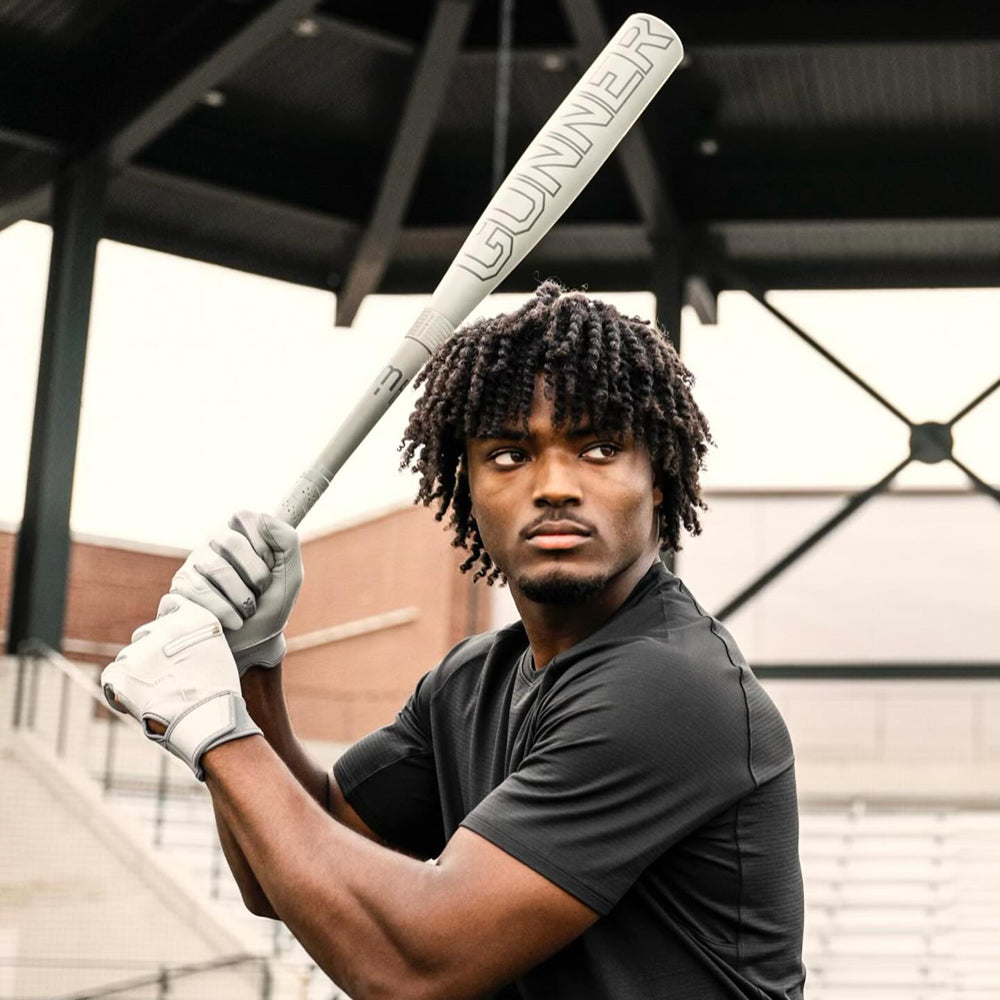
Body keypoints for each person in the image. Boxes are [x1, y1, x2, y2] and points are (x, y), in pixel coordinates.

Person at [102, 282, 805, 1000]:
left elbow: (413, 964)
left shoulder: (669, 686)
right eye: (508, 454)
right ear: (463, 485)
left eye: (598, 447)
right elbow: (286, 865)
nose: (555, 485)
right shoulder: (471, 681)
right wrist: (252, 663)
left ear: (658, 479)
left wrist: (211, 727)